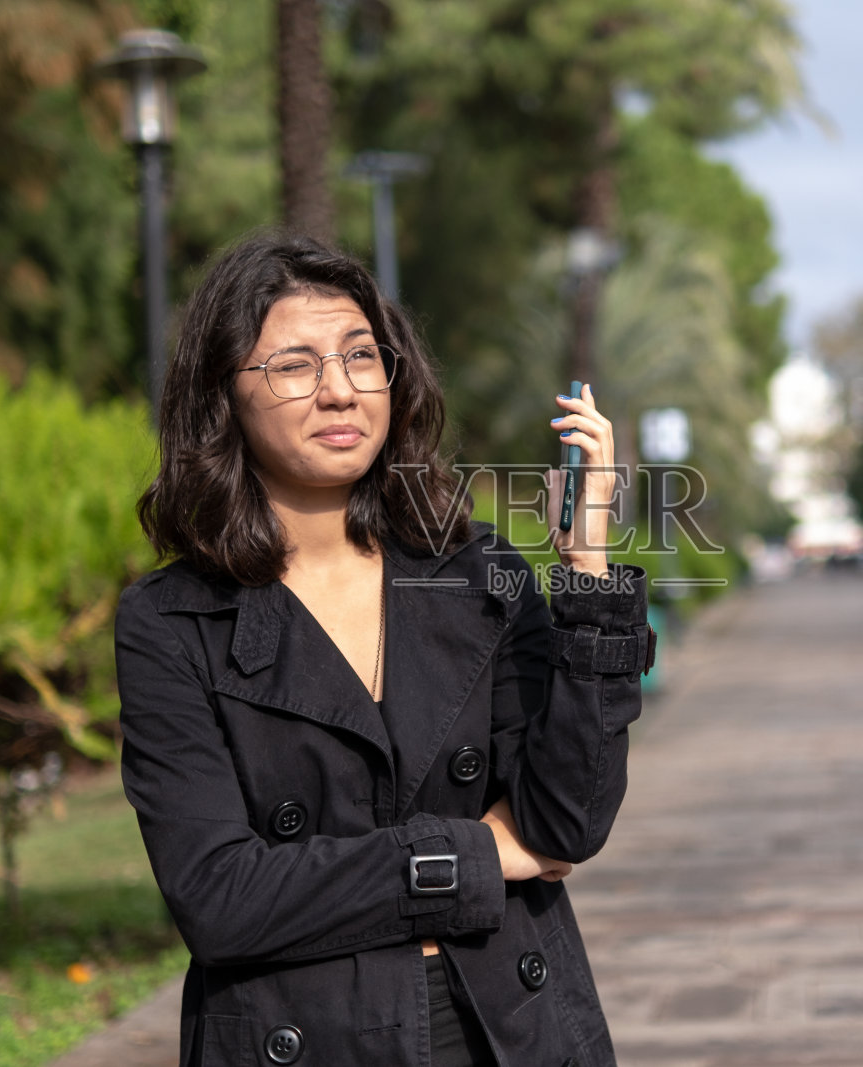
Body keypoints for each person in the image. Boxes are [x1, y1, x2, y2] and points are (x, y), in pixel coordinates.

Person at [114, 230, 652, 1067]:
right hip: (305, 1039)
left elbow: (566, 821)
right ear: (225, 394)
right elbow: (221, 898)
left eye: (361, 356)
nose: (340, 390)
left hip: (511, 1027)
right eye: (295, 365)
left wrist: (587, 568)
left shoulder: (478, 572)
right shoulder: (173, 620)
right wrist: (476, 853)